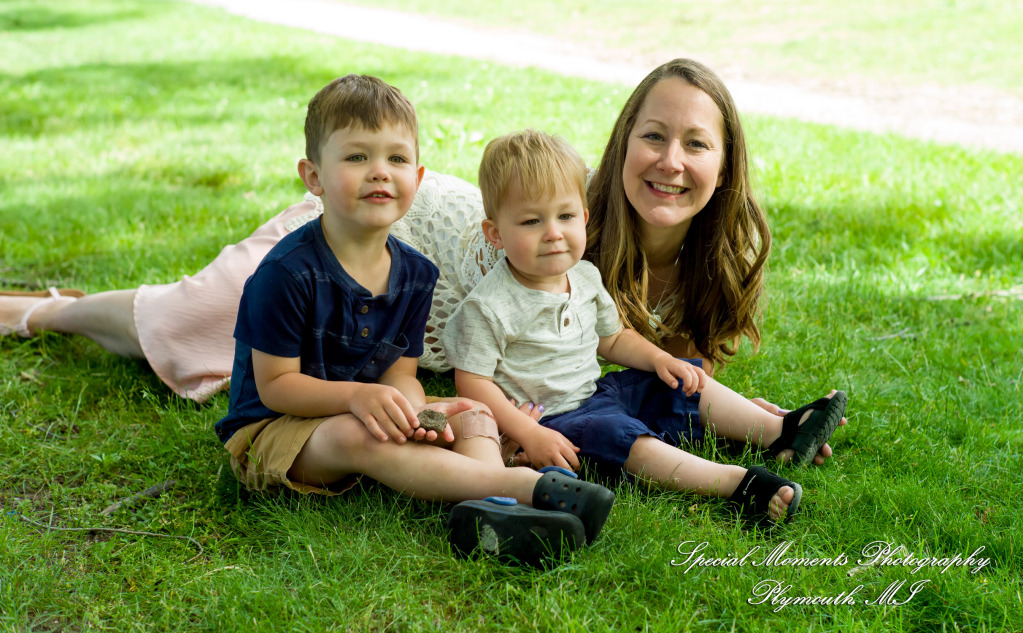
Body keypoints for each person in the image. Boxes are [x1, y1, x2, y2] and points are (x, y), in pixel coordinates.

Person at [0, 58, 842, 463]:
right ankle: (48, 310)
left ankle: (76, 304)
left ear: (725, 164)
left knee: (224, 354)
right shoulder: (570, 231)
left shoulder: (697, 261)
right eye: (651, 135)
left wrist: (756, 417)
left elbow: (647, 370)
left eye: (696, 143)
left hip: (400, 310)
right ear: (620, 147)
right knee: (185, 322)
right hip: (374, 232)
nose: (669, 161)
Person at [212, 74, 614, 567]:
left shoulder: (416, 273)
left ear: (417, 179)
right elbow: (276, 387)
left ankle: (490, 514)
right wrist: (360, 398)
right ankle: (518, 486)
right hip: (277, 432)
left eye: (396, 158)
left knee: (472, 412)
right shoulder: (287, 274)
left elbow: (401, 376)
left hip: (372, 414)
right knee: (356, 435)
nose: (379, 172)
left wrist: (412, 414)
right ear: (313, 176)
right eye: (357, 157)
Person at [442, 129, 847, 523]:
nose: (553, 233)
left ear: (583, 217)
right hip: (552, 421)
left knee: (674, 380)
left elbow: (613, 337)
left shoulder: (583, 276)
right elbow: (473, 386)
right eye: (531, 222)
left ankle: (780, 431)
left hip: (596, 393)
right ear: (495, 234)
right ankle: (736, 484)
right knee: (619, 433)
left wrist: (659, 359)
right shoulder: (490, 305)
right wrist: (529, 435)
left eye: (565, 216)